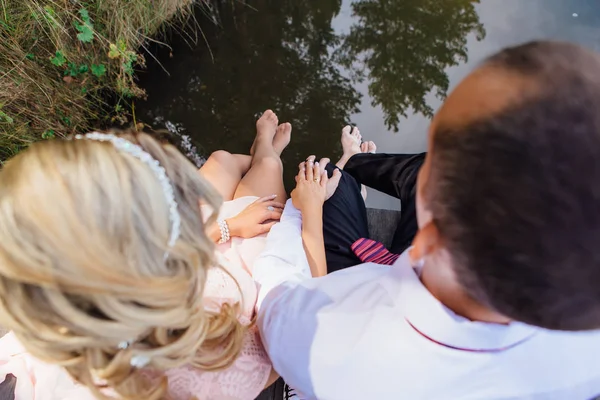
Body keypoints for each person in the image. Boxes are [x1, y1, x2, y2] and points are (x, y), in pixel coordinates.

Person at [253, 41, 600, 399]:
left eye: (433, 154)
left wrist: (301, 210)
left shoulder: (325, 335)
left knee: (326, 176)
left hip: (345, 309)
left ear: (426, 240)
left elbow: (273, 297)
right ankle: (353, 164)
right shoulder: (586, 361)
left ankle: (349, 166)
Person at [0, 110, 297, 400]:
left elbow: (170, 252)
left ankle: (262, 153)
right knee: (265, 172)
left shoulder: (81, 297)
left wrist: (228, 226)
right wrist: (306, 214)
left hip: (186, 270)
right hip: (229, 296)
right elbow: (282, 346)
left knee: (221, 160)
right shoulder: (204, 370)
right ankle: (267, 155)